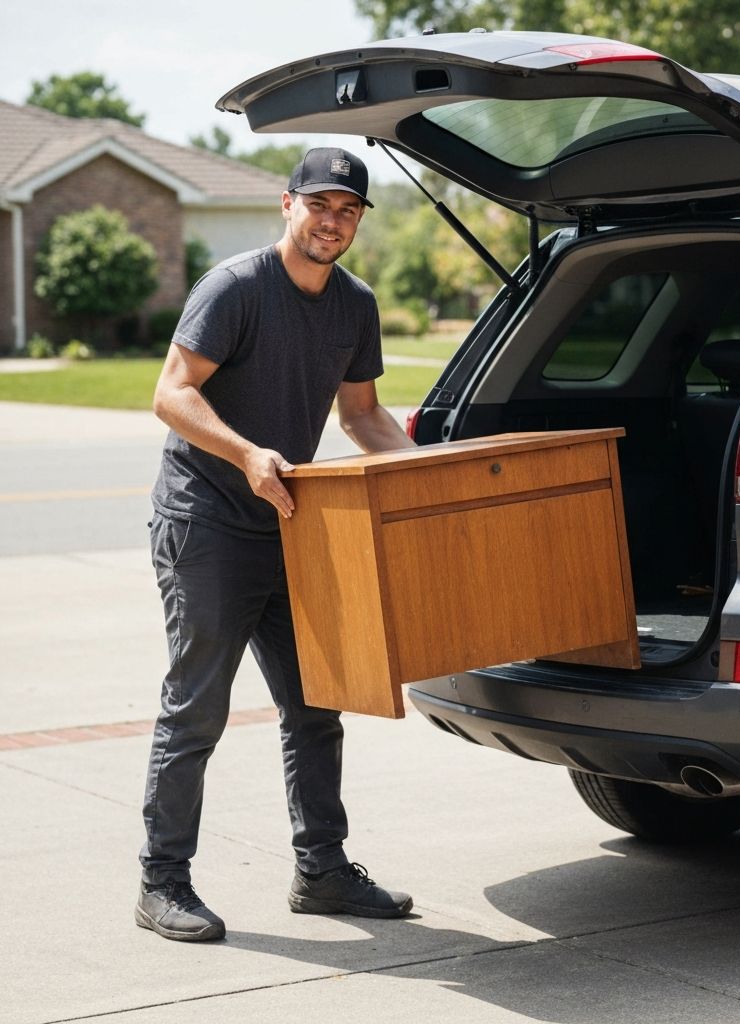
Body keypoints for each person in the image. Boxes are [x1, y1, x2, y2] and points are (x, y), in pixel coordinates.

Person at [135, 147, 417, 942]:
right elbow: (171, 392)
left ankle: (322, 871)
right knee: (196, 710)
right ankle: (161, 883)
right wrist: (247, 454)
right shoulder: (234, 288)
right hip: (209, 521)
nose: (333, 221)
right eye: (321, 205)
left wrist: (426, 475)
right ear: (287, 205)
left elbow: (362, 416)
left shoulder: (354, 306)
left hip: (293, 523)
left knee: (317, 701)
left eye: (349, 210)